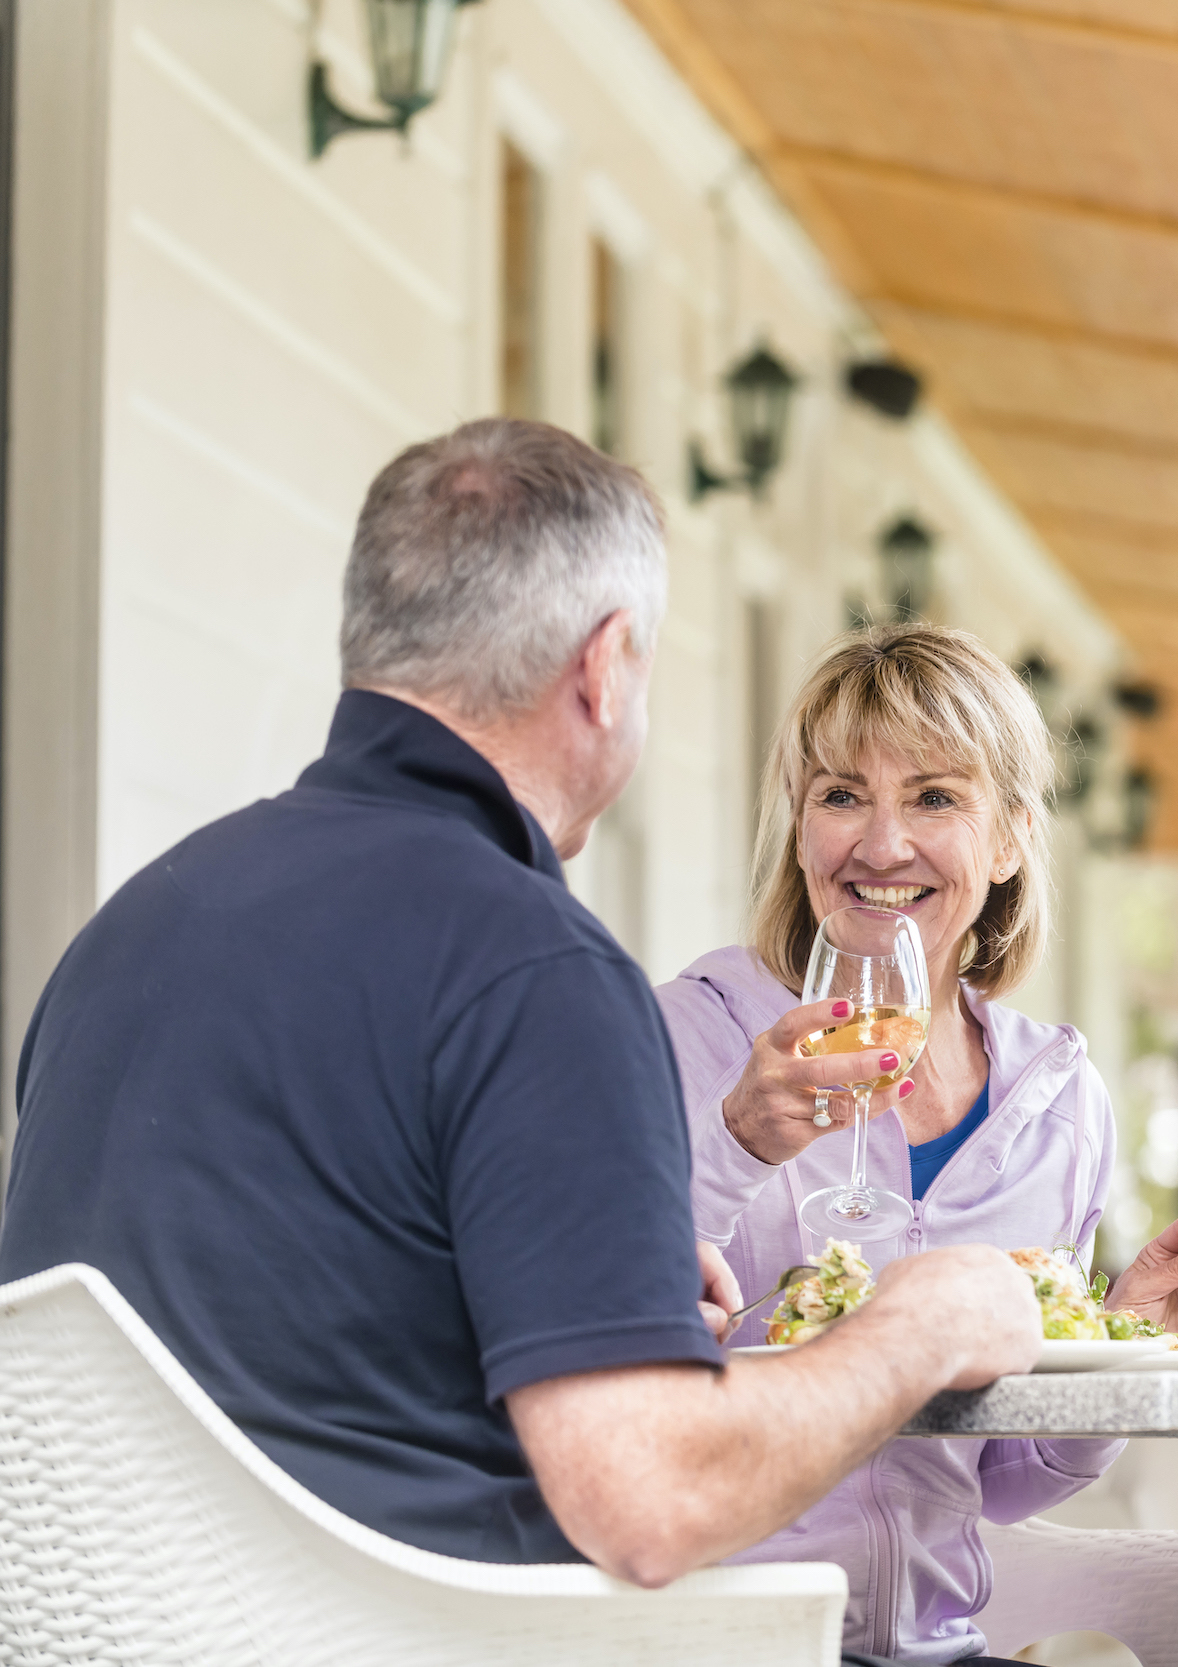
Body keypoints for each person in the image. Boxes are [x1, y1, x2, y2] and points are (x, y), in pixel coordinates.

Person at [0, 419, 1040, 1616]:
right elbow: (652, 1499)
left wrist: (578, 1296)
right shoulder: (534, 965)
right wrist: (924, 1322)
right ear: (603, 668)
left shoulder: (132, 926)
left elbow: (290, 1331)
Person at [660, 623, 1178, 1663]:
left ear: (1013, 837)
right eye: (841, 793)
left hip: (938, 1646)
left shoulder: (1057, 1101)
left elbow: (1006, 1478)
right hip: (717, 1637)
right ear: (798, 829)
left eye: (934, 797)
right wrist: (735, 1146)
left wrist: (1114, 1335)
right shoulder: (693, 1034)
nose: (880, 845)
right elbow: (600, 1357)